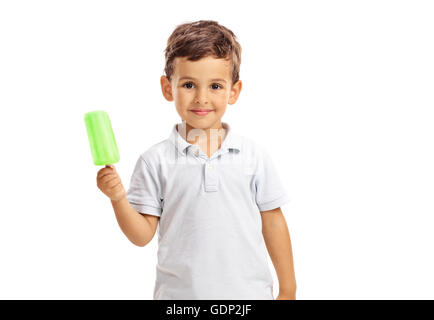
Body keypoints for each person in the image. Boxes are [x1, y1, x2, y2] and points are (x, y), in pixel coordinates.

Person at [96, 20, 296, 300]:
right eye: (189, 84)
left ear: (234, 91)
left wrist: (288, 289)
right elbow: (141, 236)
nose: (202, 98)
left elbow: (273, 221)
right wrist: (117, 197)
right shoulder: (155, 161)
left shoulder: (254, 156)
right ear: (168, 88)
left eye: (215, 86)